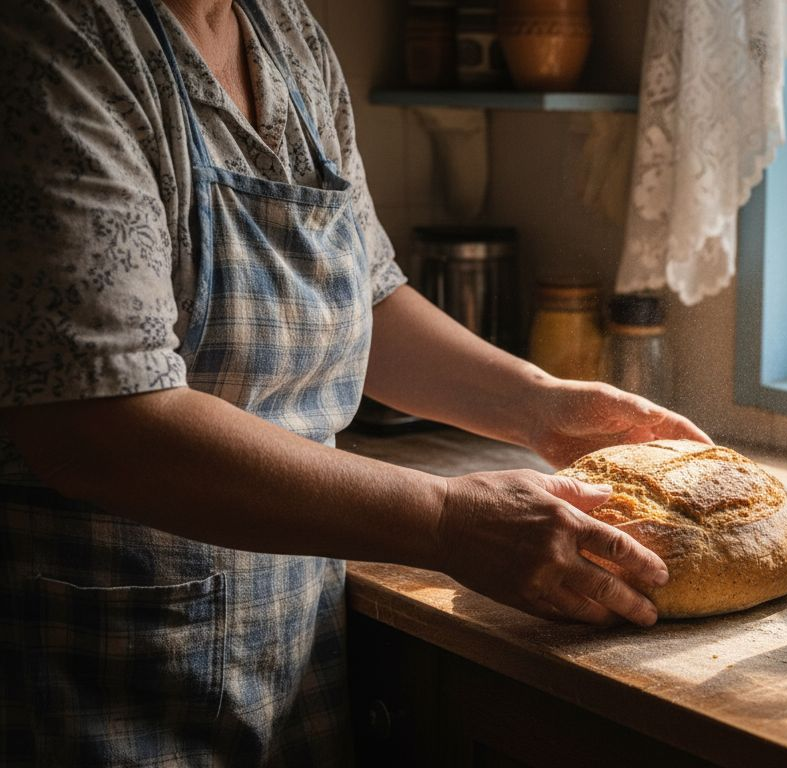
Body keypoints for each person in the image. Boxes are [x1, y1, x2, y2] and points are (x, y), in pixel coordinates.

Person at [0, 0, 709, 764]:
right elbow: (99, 427)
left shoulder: (285, 30)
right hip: (107, 670)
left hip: (293, 653)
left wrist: (536, 404)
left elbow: (362, 295)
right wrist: (443, 520)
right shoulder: (55, 36)